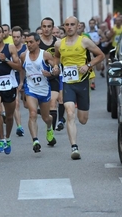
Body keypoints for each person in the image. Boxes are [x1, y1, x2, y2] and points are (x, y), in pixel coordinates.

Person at [54, 16, 105, 160]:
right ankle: (74, 147)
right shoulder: (59, 44)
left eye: (72, 25)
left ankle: (78, 118)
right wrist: (56, 66)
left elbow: (100, 55)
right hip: (68, 83)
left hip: (82, 82)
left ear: (77, 27)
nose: (69, 27)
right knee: (70, 112)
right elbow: (56, 57)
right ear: (64, 27)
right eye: (67, 25)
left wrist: (88, 65)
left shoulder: (84, 41)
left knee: (83, 119)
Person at [19, 32, 59, 152]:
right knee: (32, 113)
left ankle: (49, 128)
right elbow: (22, 69)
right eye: (26, 42)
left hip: (44, 89)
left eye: (31, 42)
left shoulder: (45, 55)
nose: (28, 44)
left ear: (38, 42)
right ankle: (35, 140)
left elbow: (56, 68)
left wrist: (52, 72)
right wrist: (21, 82)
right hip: (31, 89)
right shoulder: (23, 55)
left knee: (46, 117)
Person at [0, 24, 21, 154]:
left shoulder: (11, 47)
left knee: (9, 116)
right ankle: (1, 139)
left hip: (9, 84)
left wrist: (6, 60)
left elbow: (18, 66)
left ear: (3, 34)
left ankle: (8, 138)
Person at [39, 17, 62, 131]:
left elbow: (62, 59)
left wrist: (56, 69)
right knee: (41, 108)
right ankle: (47, 119)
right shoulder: (36, 42)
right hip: (39, 79)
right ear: (41, 27)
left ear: (53, 28)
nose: (46, 29)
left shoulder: (58, 42)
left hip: (54, 77)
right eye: (44, 26)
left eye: (49, 26)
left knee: (53, 102)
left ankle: (50, 132)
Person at [11, 26, 27, 137]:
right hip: (13, 78)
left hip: (26, 77)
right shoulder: (9, 48)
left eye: (18, 37)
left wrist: (22, 82)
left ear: (22, 37)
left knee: (26, 105)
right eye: (14, 37)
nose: (16, 39)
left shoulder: (26, 49)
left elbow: (23, 68)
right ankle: (19, 127)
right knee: (16, 104)